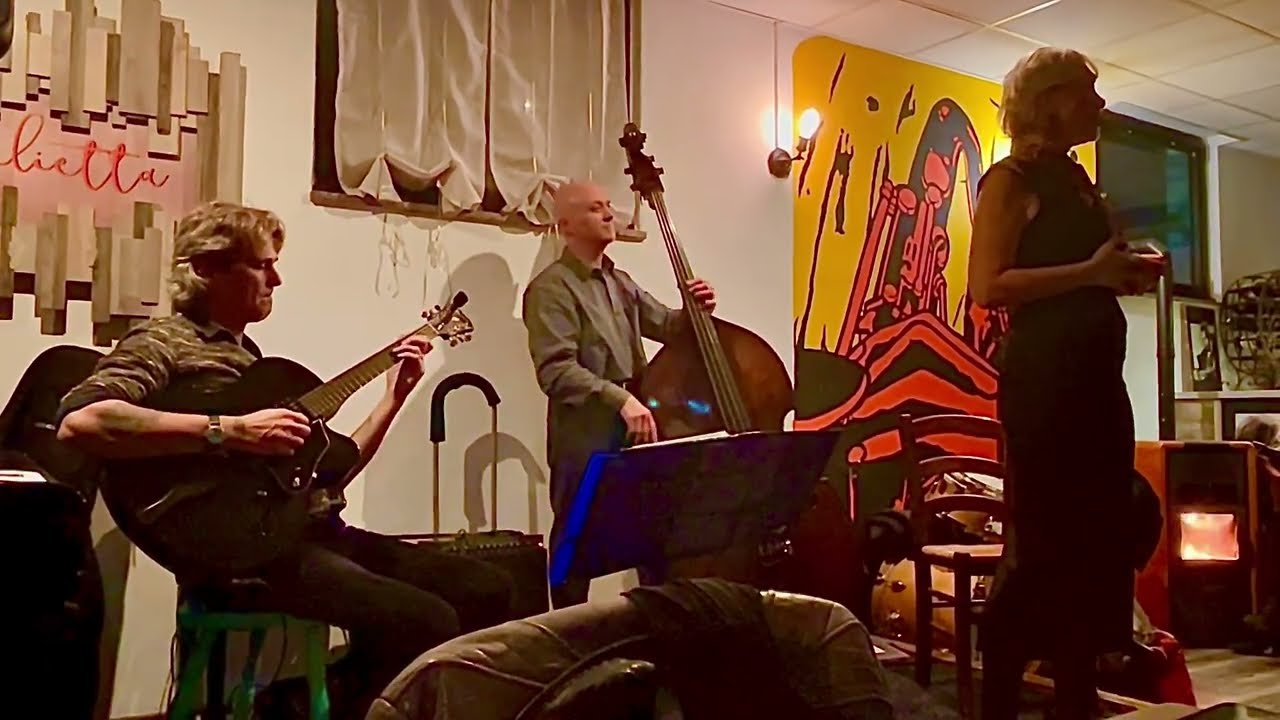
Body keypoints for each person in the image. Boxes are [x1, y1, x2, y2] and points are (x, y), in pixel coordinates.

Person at [55, 201, 514, 719]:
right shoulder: (165, 341)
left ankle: (302, 700)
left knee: (487, 589)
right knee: (424, 621)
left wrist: (394, 396)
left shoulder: (248, 361)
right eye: (261, 265)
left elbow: (331, 472)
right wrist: (229, 431)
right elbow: (82, 421)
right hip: (242, 554)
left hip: (304, 530)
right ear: (206, 269)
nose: (277, 279)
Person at [967, 48, 1163, 720]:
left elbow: (1089, 269)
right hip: (1046, 384)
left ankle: (1076, 695)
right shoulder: (1009, 179)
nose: (1100, 105)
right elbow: (987, 285)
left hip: (1095, 381)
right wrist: (1091, 274)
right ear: (1049, 102)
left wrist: (1123, 274)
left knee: (1097, 538)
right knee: (1044, 542)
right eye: (1086, 92)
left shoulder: (1076, 181)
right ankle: (998, 699)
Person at [522, 181, 716, 608]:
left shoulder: (620, 282)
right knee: (577, 544)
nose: (610, 214)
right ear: (566, 225)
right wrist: (621, 399)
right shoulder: (550, 289)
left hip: (635, 428)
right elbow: (556, 370)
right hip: (585, 434)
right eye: (595, 209)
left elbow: (667, 326)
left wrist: (695, 307)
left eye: (608, 205)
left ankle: (656, 629)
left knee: (652, 535)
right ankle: (568, 637)